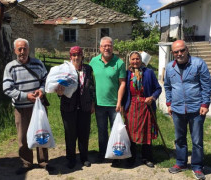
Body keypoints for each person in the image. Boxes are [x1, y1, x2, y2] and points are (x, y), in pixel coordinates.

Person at [3, 38, 54, 175]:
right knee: (23, 136)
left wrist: (41, 91)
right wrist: (26, 96)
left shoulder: (38, 63)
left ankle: (43, 161)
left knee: (41, 133)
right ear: (15, 50)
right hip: (21, 108)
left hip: (38, 107)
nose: (22, 51)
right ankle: (26, 163)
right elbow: (7, 88)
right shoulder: (10, 67)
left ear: (28, 49)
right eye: (19, 49)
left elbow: (46, 80)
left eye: (25, 48)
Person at [164, 40, 211, 180]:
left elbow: (207, 85)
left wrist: (205, 104)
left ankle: (197, 167)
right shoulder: (169, 67)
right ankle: (181, 163)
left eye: (182, 50)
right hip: (177, 109)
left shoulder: (198, 64)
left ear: (187, 50)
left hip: (196, 109)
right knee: (179, 139)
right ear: (172, 53)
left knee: (197, 140)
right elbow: (167, 86)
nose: (179, 54)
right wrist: (169, 103)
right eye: (176, 51)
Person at [55, 46, 95, 169]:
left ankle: (84, 158)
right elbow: (59, 86)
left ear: (82, 56)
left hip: (84, 106)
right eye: (74, 55)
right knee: (70, 134)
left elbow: (91, 86)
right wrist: (59, 92)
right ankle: (71, 158)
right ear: (70, 56)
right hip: (68, 107)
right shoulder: (66, 69)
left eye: (78, 55)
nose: (76, 57)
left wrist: (92, 103)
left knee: (84, 133)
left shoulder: (88, 69)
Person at [89, 36, 126, 166]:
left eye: (109, 45)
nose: (107, 48)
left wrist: (119, 102)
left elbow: (122, 83)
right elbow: (90, 82)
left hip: (114, 104)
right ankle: (103, 154)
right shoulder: (93, 62)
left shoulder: (119, 63)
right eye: (104, 45)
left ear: (112, 47)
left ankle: (116, 155)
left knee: (116, 130)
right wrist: (92, 102)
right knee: (102, 130)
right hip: (99, 104)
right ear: (100, 48)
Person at [122, 51, 162, 168]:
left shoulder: (149, 73)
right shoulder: (127, 74)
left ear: (141, 60)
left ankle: (147, 157)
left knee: (146, 132)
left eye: (137, 59)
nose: (135, 61)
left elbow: (158, 89)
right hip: (131, 106)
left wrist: (152, 97)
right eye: (133, 59)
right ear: (130, 60)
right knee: (130, 133)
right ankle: (131, 158)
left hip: (146, 106)